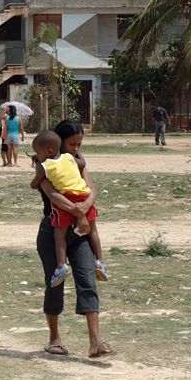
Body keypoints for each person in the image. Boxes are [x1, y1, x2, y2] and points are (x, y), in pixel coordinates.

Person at [32, 119, 114, 359]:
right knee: (55, 283)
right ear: (58, 142)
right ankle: (54, 339)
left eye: (79, 144)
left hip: (79, 231)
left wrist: (87, 207)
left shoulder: (75, 162)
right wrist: (80, 212)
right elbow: (51, 193)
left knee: (88, 280)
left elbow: (92, 189)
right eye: (72, 143)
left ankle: (95, 342)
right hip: (54, 230)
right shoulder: (44, 163)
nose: (76, 148)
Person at [29, 129, 107, 288]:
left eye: (38, 152)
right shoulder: (69, 157)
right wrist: (77, 158)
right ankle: (99, 262)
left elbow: (34, 184)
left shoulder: (45, 166)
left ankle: (61, 266)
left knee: (59, 236)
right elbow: (83, 165)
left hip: (66, 202)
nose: (37, 156)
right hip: (84, 197)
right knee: (93, 232)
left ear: (49, 151)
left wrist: (37, 177)